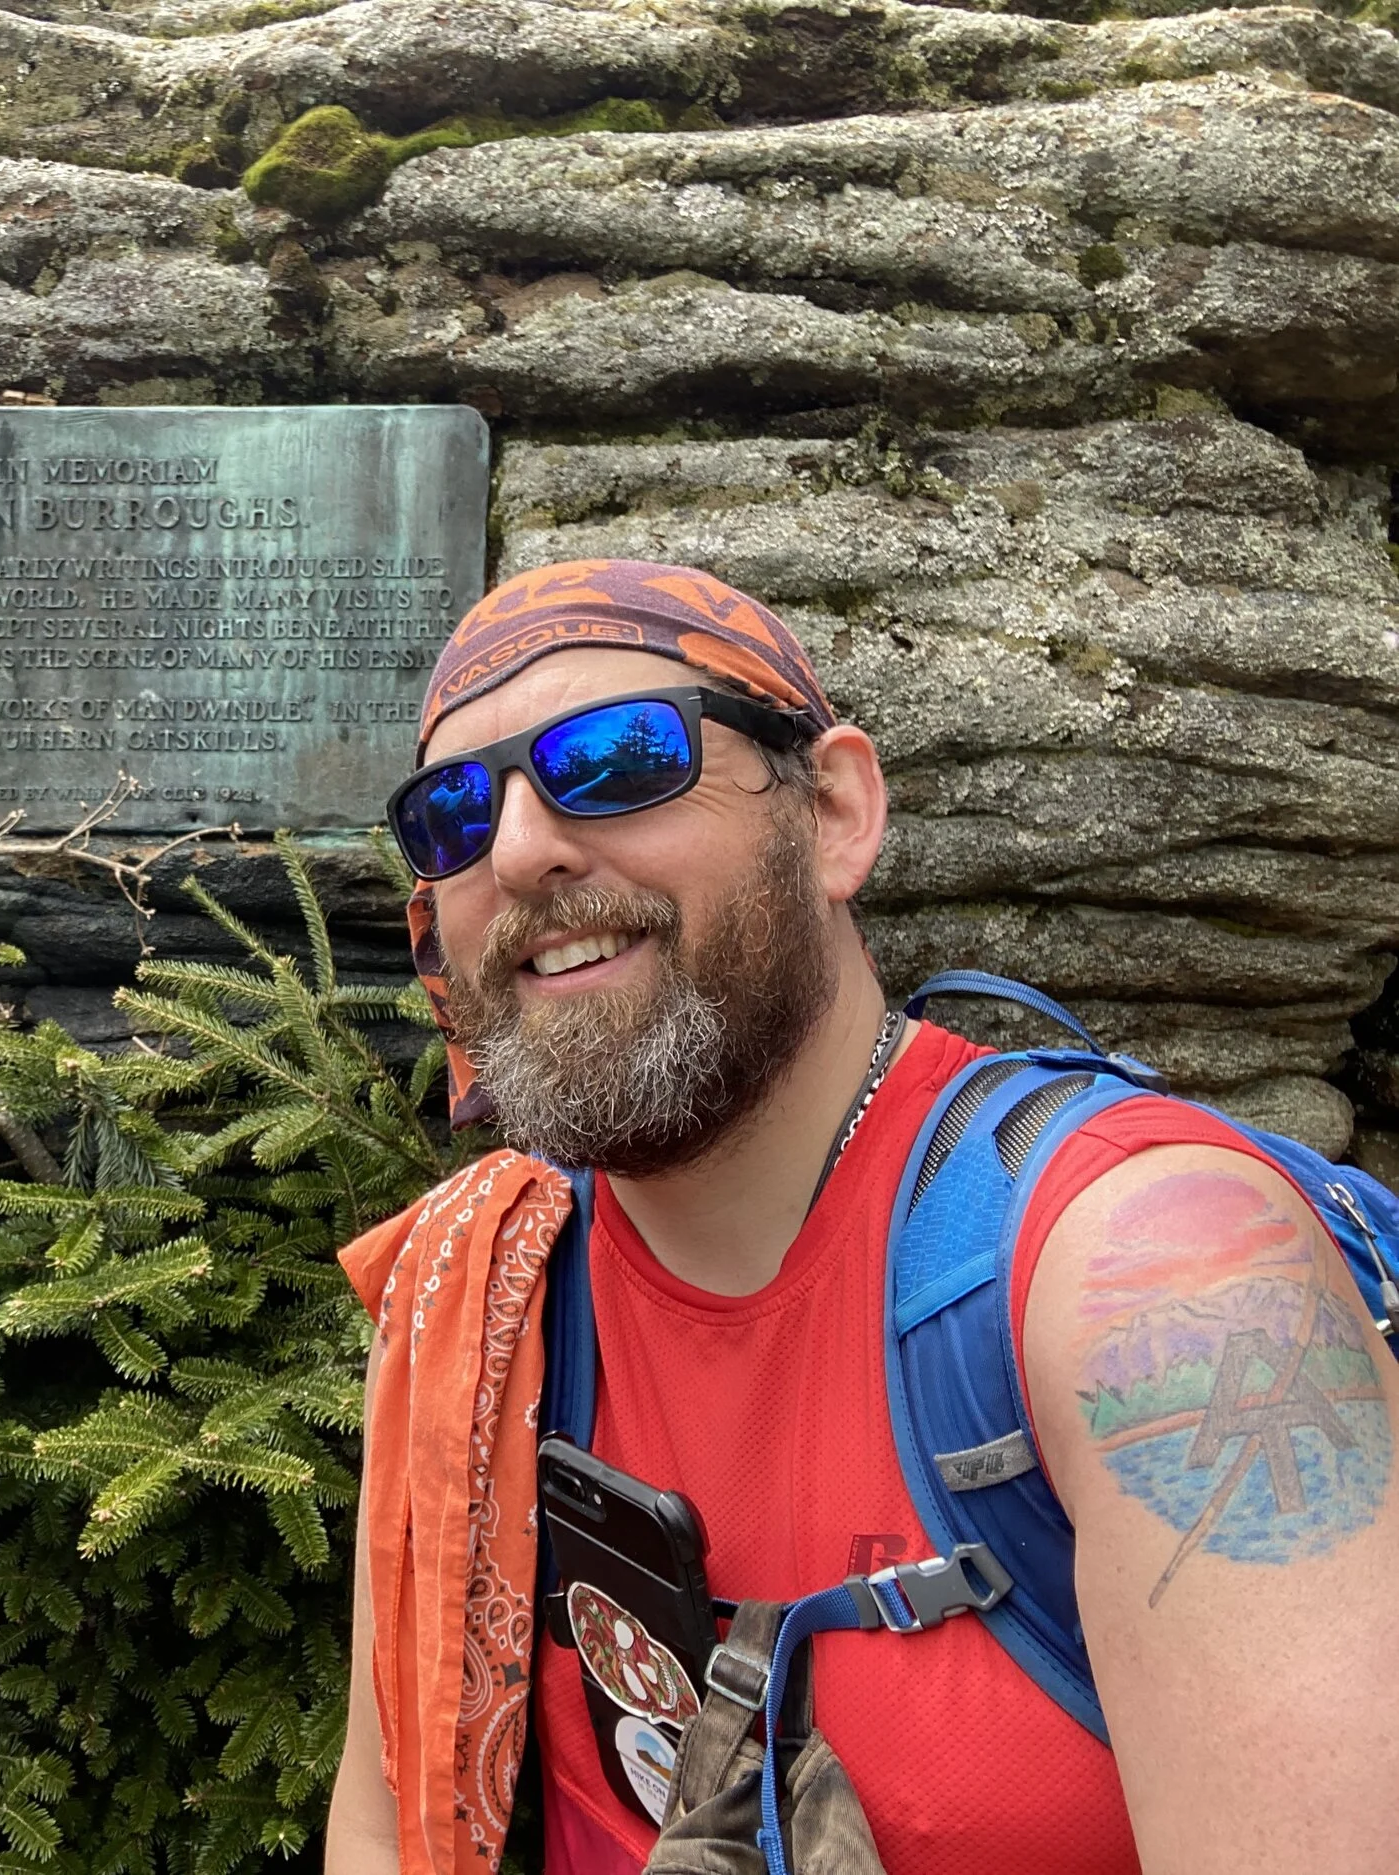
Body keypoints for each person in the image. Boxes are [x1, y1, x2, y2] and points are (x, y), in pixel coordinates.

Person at [325, 562, 1399, 1874]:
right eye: (451, 813)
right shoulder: (475, 1297)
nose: (521, 845)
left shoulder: (1165, 1280)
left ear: (835, 810)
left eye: (616, 757)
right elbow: (381, 1827)